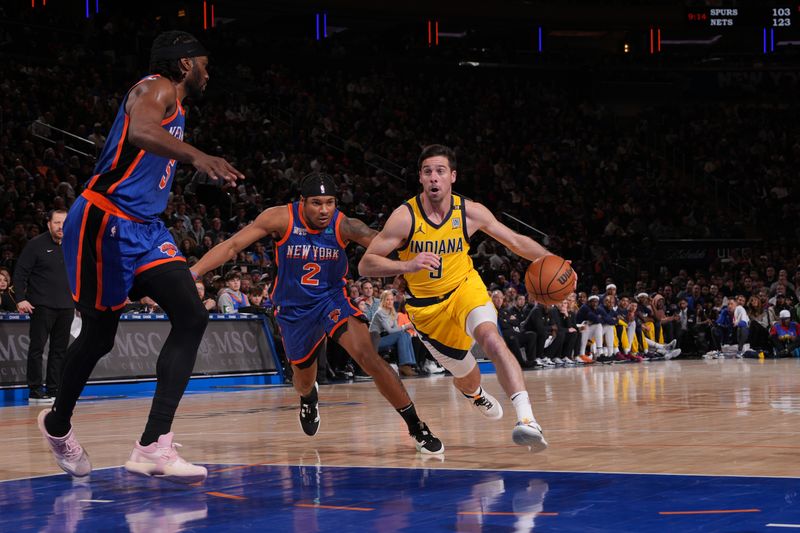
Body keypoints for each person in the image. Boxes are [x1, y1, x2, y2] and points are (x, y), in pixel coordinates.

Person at [38, 31, 243, 484]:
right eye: (205, 63)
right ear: (185, 63)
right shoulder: (155, 87)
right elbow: (141, 131)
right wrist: (198, 157)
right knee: (99, 337)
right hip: (104, 220)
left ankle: (153, 443)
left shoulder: (179, 105)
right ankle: (57, 424)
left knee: (192, 315)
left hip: (147, 229)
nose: (210, 72)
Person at [191, 172, 443, 454]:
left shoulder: (345, 225)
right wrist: (194, 271)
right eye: (316, 203)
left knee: (368, 356)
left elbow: (384, 243)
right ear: (302, 202)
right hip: (293, 309)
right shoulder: (280, 218)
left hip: (332, 301)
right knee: (303, 380)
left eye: (330, 202)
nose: (324, 210)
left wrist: (410, 265)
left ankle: (415, 425)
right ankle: (309, 397)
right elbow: (233, 245)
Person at [359, 144, 564, 452]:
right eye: (428, 172)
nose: (434, 178)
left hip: (465, 289)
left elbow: (516, 240)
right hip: (428, 311)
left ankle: (527, 420)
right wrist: (406, 265)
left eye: (440, 171)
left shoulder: (470, 211)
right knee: (468, 378)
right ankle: (475, 394)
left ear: (452, 177)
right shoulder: (404, 217)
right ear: (420, 178)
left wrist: (555, 261)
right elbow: (366, 263)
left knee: (492, 339)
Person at [13, 209, 73, 404]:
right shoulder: (35, 245)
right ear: (48, 224)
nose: (61, 226)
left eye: (64, 222)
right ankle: (35, 390)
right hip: (41, 306)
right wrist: (21, 299)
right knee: (37, 348)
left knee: (60, 350)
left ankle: (54, 389)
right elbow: (20, 273)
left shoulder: (73, 245)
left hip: (66, 306)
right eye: (57, 222)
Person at [369, 290, 419, 376]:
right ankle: (404, 365)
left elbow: (396, 328)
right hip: (374, 340)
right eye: (387, 299)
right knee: (402, 333)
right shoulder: (380, 312)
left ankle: (409, 365)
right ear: (383, 301)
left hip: (385, 337)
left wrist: (404, 328)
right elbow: (390, 330)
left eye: (391, 299)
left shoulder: (392, 312)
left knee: (406, 334)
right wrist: (406, 326)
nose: (390, 302)